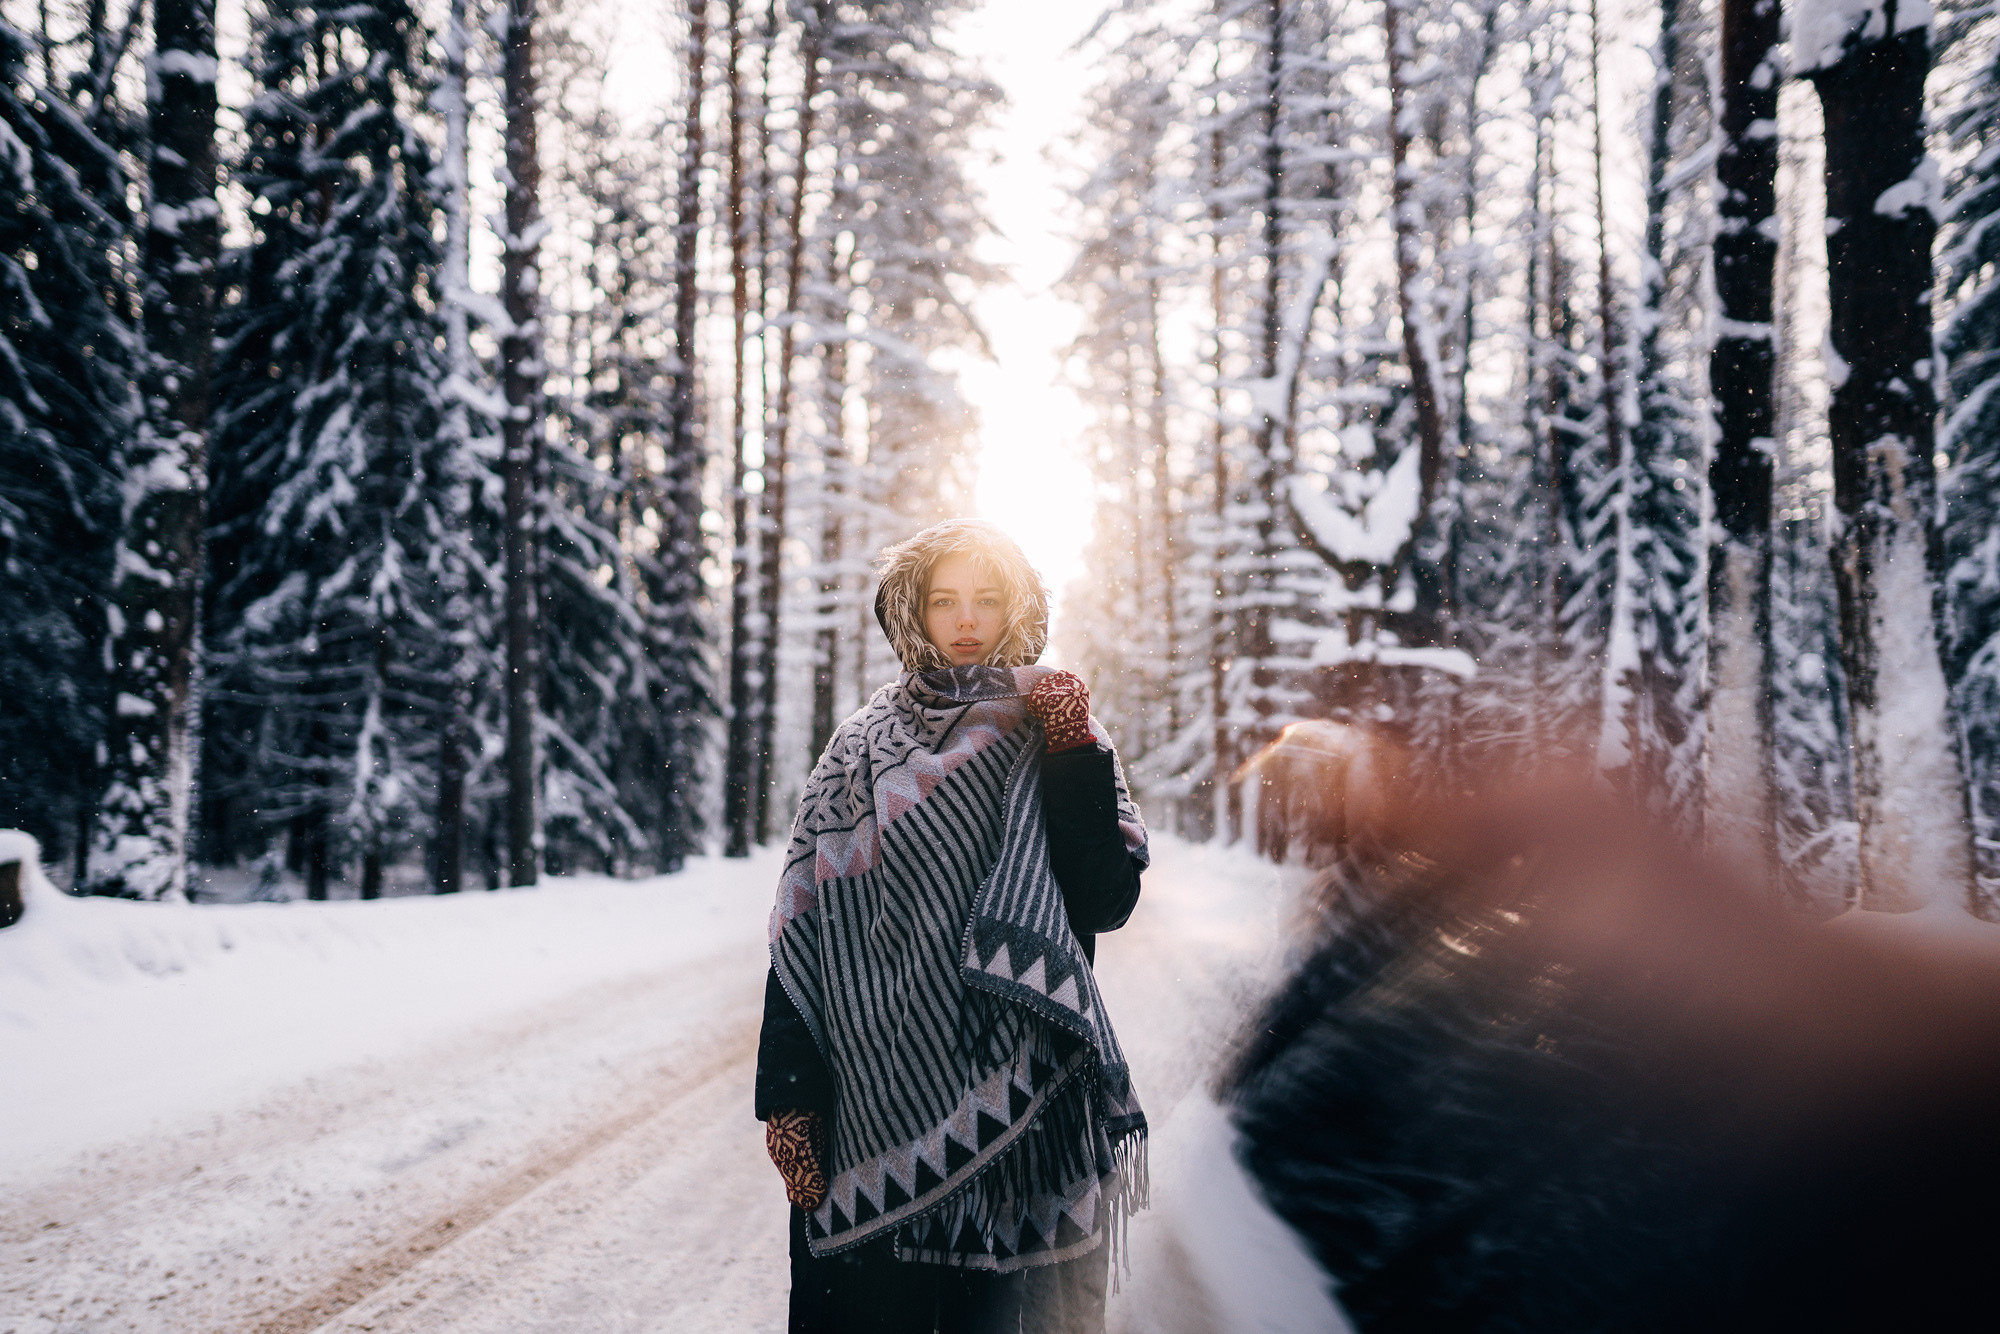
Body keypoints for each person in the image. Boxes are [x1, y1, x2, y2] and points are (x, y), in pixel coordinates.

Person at [756, 518, 1149, 1334]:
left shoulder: (1057, 726)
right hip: (873, 1110)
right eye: (944, 600)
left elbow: (1103, 899)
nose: (965, 619)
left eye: (985, 598)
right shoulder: (858, 752)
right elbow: (804, 928)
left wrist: (1073, 751)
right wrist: (790, 1097)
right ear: (914, 611)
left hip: (1028, 1112)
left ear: (1017, 608)